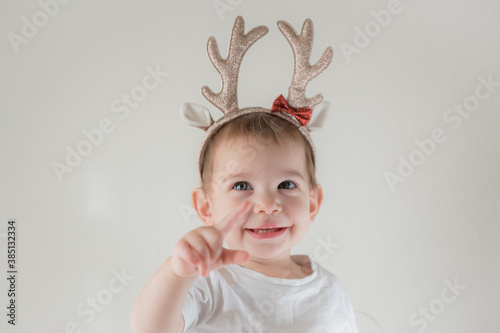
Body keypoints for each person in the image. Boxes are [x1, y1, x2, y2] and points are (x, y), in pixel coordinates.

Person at [130, 16, 358, 333]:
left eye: (287, 184)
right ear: (206, 207)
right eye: (242, 185)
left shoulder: (330, 290)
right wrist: (177, 274)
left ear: (313, 202)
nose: (267, 204)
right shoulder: (210, 284)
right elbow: (149, 328)